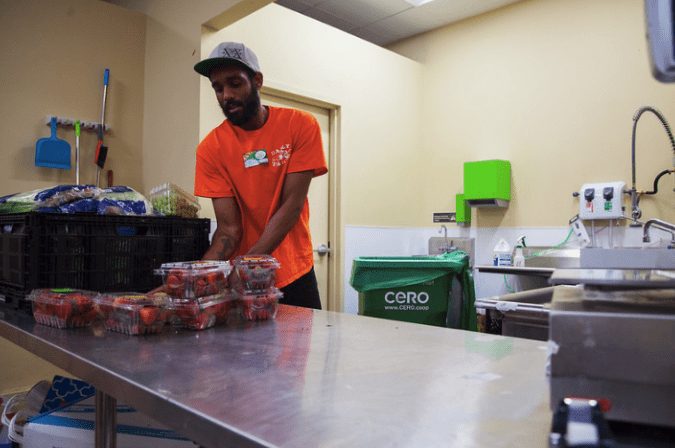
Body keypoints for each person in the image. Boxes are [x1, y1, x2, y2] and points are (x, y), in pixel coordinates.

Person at [192, 42, 327, 309]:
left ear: (257, 80)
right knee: (247, 351)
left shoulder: (300, 125)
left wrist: (244, 266)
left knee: (304, 349)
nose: (226, 95)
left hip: (293, 272)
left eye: (234, 83)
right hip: (244, 284)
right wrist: (196, 277)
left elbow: (291, 206)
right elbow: (229, 230)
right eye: (218, 88)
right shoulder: (211, 149)